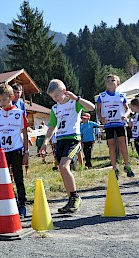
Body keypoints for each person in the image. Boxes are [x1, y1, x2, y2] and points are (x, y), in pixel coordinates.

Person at [40, 79, 95, 213]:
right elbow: (52, 126)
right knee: (61, 169)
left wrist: (77, 98)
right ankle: (70, 199)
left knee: (64, 166)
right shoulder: (55, 108)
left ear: (64, 91)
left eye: (57, 96)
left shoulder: (74, 103)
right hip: (60, 140)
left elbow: (92, 108)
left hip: (73, 139)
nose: (55, 99)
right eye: (53, 97)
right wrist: (45, 142)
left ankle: (75, 196)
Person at [0, 83, 30, 217]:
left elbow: (25, 133)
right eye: (0, 101)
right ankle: (10, 202)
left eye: (4, 100)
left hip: (16, 150)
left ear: (11, 97)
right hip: (4, 152)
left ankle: (22, 203)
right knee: (5, 179)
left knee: (18, 178)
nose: (2, 103)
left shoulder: (19, 113)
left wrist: (26, 152)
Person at [96, 74, 134, 178]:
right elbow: (97, 110)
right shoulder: (102, 96)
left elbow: (128, 109)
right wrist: (101, 118)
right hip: (108, 124)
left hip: (119, 123)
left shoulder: (122, 95)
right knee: (111, 145)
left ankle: (127, 165)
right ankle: (114, 167)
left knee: (123, 144)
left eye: (113, 80)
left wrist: (125, 116)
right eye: (108, 81)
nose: (110, 82)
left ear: (118, 83)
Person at [127, 96, 139, 184]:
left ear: (136, 105)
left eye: (132, 106)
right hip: (136, 138)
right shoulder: (136, 115)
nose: (131, 108)